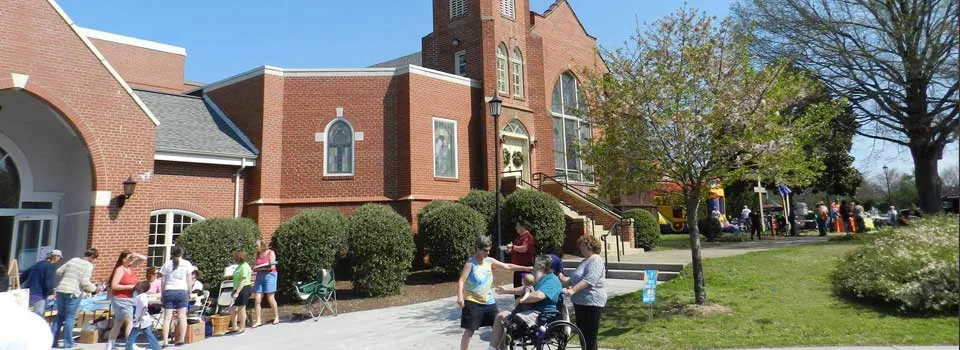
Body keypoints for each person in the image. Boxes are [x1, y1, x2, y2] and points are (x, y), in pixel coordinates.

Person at [456, 235, 533, 350]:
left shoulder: (489, 261)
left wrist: (526, 268)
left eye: (489, 250)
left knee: (500, 326)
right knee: (469, 331)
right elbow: (461, 281)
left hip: (488, 301)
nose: (488, 253)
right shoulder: (470, 264)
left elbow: (507, 266)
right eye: (485, 250)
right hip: (472, 301)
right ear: (477, 248)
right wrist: (460, 297)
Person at [487, 255, 563, 350]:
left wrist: (522, 299)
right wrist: (506, 290)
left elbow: (539, 295)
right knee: (500, 316)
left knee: (512, 322)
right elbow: (526, 288)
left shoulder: (552, 280)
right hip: (532, 311)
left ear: (541, 266)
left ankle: (508, 338)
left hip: (542, 315)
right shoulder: (540, 278)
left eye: (535, 265)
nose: (533, 267)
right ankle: (492, 348)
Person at [562, 235, 607, 350]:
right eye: (580, 246)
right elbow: (572, 279)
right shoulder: (585, 261)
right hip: (581, 302)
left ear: (590, 246)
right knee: (583, 335)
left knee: (589, 336)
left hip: (591, 302)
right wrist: (559, 277)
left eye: (583, 246)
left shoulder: (596, 260)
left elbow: (589, 280)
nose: (581, 248)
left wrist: (573, 290)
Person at [51, 248, 100, 349]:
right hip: (73, 292)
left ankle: (52, 341)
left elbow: (59, 271)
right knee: (69, 317)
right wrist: (95, 289)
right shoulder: (88, 265)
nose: (94, 261)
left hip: (61, 289)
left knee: (59, 316)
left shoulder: (74, 260)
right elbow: (85, 282)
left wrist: (68, 277)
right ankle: (68, 343)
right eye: (95, 259)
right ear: (92, 257)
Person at [106, 250, 147, 350]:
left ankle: (110, 346)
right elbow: (114, 285)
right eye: (130, 258)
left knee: (118, 322)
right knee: (130, 322)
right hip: (121, 299)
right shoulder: (120, 270)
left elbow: (144, 259)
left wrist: (135, 254)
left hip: (129, 298)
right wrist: (131, 287)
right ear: (123, 259)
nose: (132, 259)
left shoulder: (130, 267)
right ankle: (130, 345)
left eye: (132, 258)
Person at [160, 246, 195, 347]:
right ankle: (181, 339)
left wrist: (162, 294)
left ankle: (165, 341)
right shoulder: (187, 264)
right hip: (181, 291)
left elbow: (163, 281)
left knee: (167, 318)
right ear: (182, 253)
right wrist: (189, 292)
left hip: (169, 290)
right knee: (182, 316)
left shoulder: (167, 264)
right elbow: (189, 280)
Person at [20, 249, 62, 315]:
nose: (59, 260)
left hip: (28, 294)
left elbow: (24, 275)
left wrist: (19, 284)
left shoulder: (38, 264)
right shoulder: (49, 266)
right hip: (39, 296)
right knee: (38, 317)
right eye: (59, 258)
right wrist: (51, 293)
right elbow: (48, 282)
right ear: (56, 257)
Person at [252, 239, 279, 327]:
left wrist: (264, 267)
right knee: (257, 299)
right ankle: (258, 320)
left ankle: (276, 317)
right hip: (259, 276)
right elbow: (255, 265)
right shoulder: (257, 254)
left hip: (270, 275)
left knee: (270, 297)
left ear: (262, 246)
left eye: (257, 246)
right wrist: (255, 268)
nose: (256, 247)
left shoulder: (271, 253)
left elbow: (273, 266)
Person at [125, 281, 160, 350]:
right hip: (142, 319)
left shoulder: (140, 296)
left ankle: (128, 348)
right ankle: (156, 347)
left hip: (141, 319)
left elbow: (144, 307)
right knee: (149, 334)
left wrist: (141, 316)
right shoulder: (141, 296)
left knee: (133, 335)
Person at [505, 220, 536, 293]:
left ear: (523, 227)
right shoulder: (518, 237)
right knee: (517, 288)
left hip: (525, 268)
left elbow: (524, 249)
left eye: (517, 226)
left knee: (524, 288)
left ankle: (525, 300)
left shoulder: (528, 237)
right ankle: (518, 300)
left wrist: (512, 247)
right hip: (517, 268)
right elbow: (516, 249)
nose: (516, 228)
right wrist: (509, 250)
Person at [228, 250, 253, 335]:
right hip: (237, 289)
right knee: (232, 309)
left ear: (239, 257)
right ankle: (234, 327)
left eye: (235, 257)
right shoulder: (239, 266)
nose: (234, 258)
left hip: (244, 288)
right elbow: (236, 280)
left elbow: (243, 280)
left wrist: (237, 292)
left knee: (241, 308)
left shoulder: (245, 266)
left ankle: (242, 327)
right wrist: (234, 290)